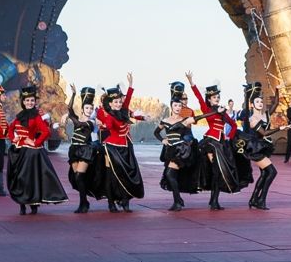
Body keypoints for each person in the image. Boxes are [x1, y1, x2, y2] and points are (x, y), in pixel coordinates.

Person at [188, 72, 247, 210]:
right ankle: (213, 201)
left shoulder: (223, 112)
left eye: (218, 97)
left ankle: (214, 200)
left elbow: (233, 124)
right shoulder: (206, 108)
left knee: (219, 172)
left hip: (221, 143)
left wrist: (228, 136)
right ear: (209, 99)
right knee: (215, 170)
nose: (217, 99)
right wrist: (192, 82)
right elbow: (198, 97)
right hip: (210, 142)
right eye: (215, 97)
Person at [7, 85, 68, 214]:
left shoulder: (36, 117)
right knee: (19, 178)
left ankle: (33, 204)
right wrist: (14, 139)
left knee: (30, 178)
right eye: (27, 100)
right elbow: (11, 129)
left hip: (31, 153)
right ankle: (22, 204)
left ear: (35, 102)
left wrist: (35, 142)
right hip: (18, 152)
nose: (29, 103)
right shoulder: (19, 116)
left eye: (32, 100)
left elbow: (46, 132)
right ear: (23, 102)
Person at [96, 73, 145, 213]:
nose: (118, 104)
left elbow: (128, 99)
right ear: (110, 104)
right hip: (112, 148)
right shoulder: (110, 116)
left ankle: (125, 200)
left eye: (119, 101)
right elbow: (109, 127)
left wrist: (130, 85)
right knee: (112, 175)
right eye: (115, 102)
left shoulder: (124, 110)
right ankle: (111, 202)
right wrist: (103, 124)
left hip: (126, 147)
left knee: (129, 173)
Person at [238, 82, 285, 210]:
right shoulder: (252, 118)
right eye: (257, 101)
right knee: (272, 172)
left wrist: (277, 89)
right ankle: (261, 200)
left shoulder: (264, 116)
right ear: (252, 104)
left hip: (261, 146)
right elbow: (264, 133)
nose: (260, 103)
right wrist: (280, 127)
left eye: (261, 101)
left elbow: (275, 104)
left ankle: (254, 200)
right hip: (255, 148)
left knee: (265, 174)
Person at [155, 82, 200, 212]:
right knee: (171, 175)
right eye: (175, 105)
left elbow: (200, 117)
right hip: (170, 150)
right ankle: (178, 200)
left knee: (169, 174)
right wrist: (162, 140)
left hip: (180, 151)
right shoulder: (165, 121)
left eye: (180, 105)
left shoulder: (184, 120)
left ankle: (178, 201)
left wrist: (215, 113)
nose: (178, 107)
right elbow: (156, 132)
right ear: (171, 106)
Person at [64, 86, 100, 213]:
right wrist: (73, 94)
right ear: (82, 109)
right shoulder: (77, 118)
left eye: (91, 108)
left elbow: (79, 124)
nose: (89, 110)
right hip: (74, 149)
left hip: (85, 150)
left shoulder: (92, 122)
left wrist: (70, 117)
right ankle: (85, 202)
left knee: (79, 176)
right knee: (77, 178)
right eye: (87, 108)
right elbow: (69, 108)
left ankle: (82, 203)